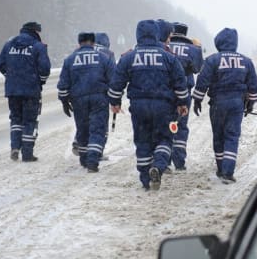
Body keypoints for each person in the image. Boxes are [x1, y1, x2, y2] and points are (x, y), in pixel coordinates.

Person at [108, 19, 189, 190]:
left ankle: (146, 179)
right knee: (165, 139)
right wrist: (182, 103)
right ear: (156, 34)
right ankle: (158, 166)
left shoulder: (128, 57)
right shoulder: (169, 58)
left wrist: (114, 102)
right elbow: (180, 83)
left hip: (138, 107)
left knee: (143, 141)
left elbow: (117, 83)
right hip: (164, 107)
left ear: (138, 35)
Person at [192, 28, 257, 184]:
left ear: (218, 43)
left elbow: (203, 81)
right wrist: (250, 103)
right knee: (232, 136)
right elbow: (253, 85)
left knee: (219, 135)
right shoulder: (246, 61)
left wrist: (197, 100)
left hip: (217, 104)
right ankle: (228, 172)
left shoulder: (212, 60)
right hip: (237, 104)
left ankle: (221, 168)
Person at [57, 32, 116, 172]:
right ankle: (93, 160)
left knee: (83, 129)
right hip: (99, 98)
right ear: (93, 42)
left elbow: (64, 83)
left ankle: (84, 160)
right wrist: (114, 99)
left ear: (79, 42)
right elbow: (113, 80)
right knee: (97, 129)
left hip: (78, 100)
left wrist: (64, 101)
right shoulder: (104, 58)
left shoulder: (70, 59)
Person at [0, 21, 51, 162]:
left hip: (13, 90)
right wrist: (40, 81)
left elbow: (1, 64)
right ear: (35, 32)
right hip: (31, 90)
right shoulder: (38, 47)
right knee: (29, 121)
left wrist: (11, 76)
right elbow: (45, 69)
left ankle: (15, 147)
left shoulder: (9, 45)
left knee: (15, 119)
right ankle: (27, 154)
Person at [71, 32, 117, 158]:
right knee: (100, 124)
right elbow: (113, 75)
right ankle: (97, 151)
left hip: (80, 93)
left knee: (84, 122)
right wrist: (114, 96)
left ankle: (78, 141)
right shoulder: (108, 53)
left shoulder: (78, 51)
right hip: (99, 94)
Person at [168, 22, 203, 171]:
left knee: (166, 125)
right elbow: (197, 68)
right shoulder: (192, 48)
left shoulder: (164, 46)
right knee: (180, 126)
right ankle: (179, 162)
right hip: (185, 92)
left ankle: (164, 160)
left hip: (165, 92)